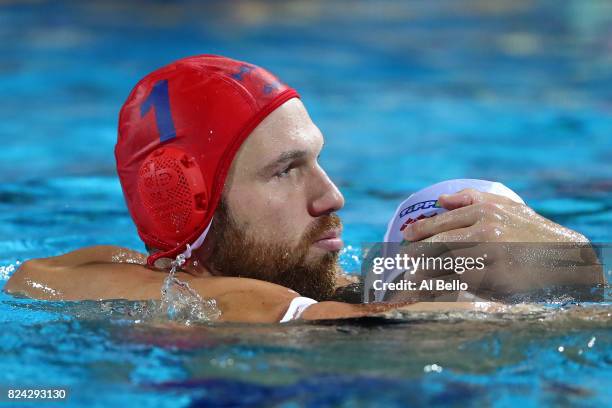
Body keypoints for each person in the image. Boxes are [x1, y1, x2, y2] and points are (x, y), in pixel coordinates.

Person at [4, 55, 603, 323]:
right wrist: (572, 265)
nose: (333, 196)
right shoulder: (90, 286)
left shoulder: (328, 284)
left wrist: (539, 263)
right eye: (286, 169)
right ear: (188, 200)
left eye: (318, 160)